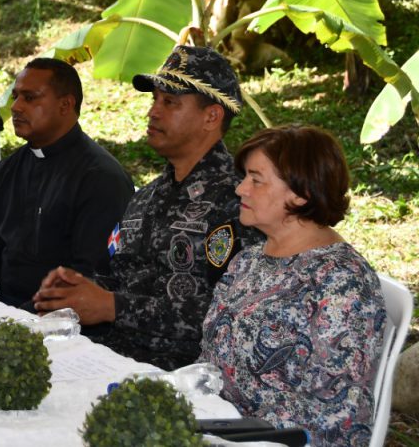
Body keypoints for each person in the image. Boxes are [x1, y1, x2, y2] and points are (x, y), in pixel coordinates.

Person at [34, 45, 260, 370]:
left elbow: (235, 316)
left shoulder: (243, 200)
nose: (154, 111)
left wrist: (114, 307)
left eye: (170, 102)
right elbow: (124, 276)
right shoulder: (146, 197)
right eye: (155, 99)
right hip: (113, 362)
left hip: (190, 381)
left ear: (211, 116)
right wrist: (77, 291)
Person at [198, 125, 385, 447]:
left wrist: (224, 434)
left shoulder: (340, 283)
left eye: (256, 180)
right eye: (245, 177)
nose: (241, 189)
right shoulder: (250, 259)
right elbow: (211, 360)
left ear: (301, 193)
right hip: (217, 423)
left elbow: (334, 412)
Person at [0, 58, 133, 311]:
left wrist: (20, 319)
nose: (16, 107)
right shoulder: (5, 171)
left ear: (65, 105)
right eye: (16, 96)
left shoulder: (100, 178)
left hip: (64, 324)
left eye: (30, 98)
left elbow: (92, 274)